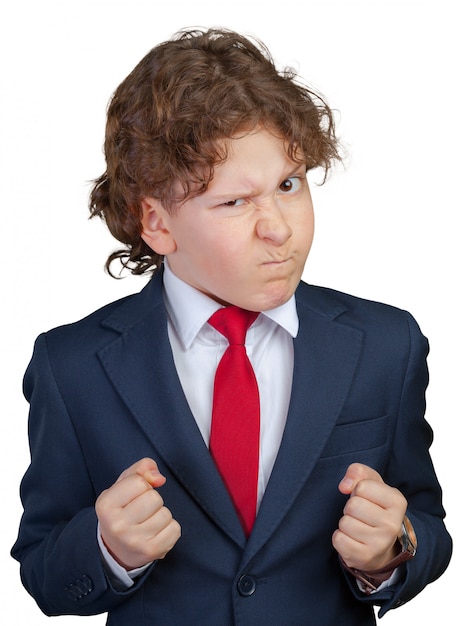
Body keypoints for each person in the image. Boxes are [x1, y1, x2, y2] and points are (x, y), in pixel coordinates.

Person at [11, 28, 452, 625]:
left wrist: (392, 551)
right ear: (157, 223)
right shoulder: (72, 366)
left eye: (289, 186)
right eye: (234, 202)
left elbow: (427, 527)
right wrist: (108, 549)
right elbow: (44, 573)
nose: (279, 227)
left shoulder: (385, 344)